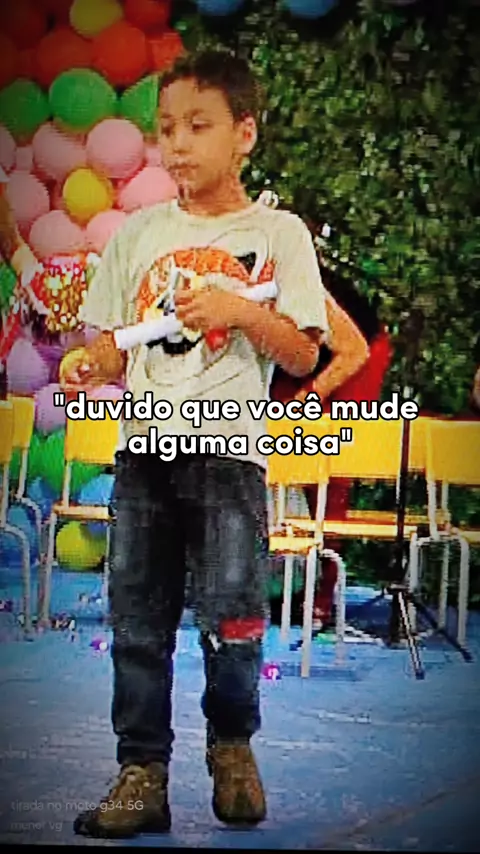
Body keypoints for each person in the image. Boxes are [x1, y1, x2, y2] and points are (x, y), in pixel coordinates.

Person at [60, 49, 329, 838]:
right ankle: (140, 773)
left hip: (229, 459)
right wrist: (90, 363)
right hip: (144, 456)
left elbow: (303, 353)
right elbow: (112, 344)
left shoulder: (277, 234)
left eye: (198, 126)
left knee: (234, 617)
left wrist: (240, 312)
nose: (177, 144)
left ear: (244, 133)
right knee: (136, 622)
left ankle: (232, 750)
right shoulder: (138, 234)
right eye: (167, 128)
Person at [271, 264, 392, 629]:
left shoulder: (294, 276)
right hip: (292, 362)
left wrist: (308, 399)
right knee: (272, 460)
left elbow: (354, 353)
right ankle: (276, 584)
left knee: (331, 472)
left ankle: (321, 596)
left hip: (356, 355)